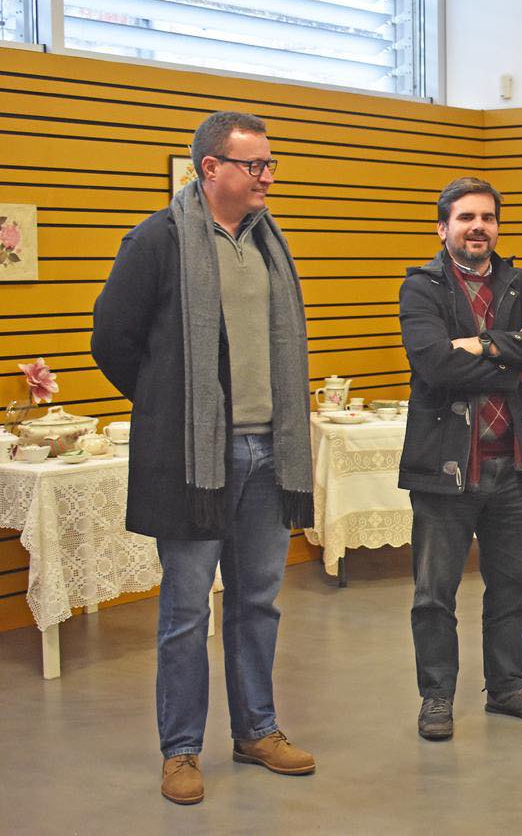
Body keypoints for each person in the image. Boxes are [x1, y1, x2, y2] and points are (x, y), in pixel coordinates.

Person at [92, 112, 315, 805]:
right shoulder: (157, 240)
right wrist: (170, 405)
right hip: (195, 458)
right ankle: (182, 749)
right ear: (210, 168)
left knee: (257, 603)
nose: (267, 177)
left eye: (270, 164)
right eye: (254, 165)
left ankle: (257, 731)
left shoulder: (269, 241)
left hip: (269, 451)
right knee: (187, 610)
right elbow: (112, 339)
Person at [399, 176, 522, 741]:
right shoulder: (421, 287)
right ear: (442, 227)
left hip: (516, 466)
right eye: (466, 217)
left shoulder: (520, 281)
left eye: (488, 218)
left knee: (513, 587)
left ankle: (507, 688)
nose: (479, 227)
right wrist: (517, 353)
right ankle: (437, 698)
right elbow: (435, 365)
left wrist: (482, 342)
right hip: (447, 469)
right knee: (434, 595)